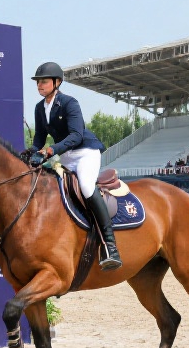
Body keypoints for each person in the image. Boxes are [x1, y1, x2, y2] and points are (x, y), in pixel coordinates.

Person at [23, 62, 121, 270]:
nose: (40, 85)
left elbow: (76, 135)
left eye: (44, 81)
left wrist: (50, 151)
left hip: (85, 152)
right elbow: (40, 137)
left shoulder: (69, 103)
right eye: (38, 82)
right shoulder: (40, 108)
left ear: (57, 82)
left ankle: (110, 245)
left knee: (86, 186)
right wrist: (31, 150)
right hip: (65, 155)